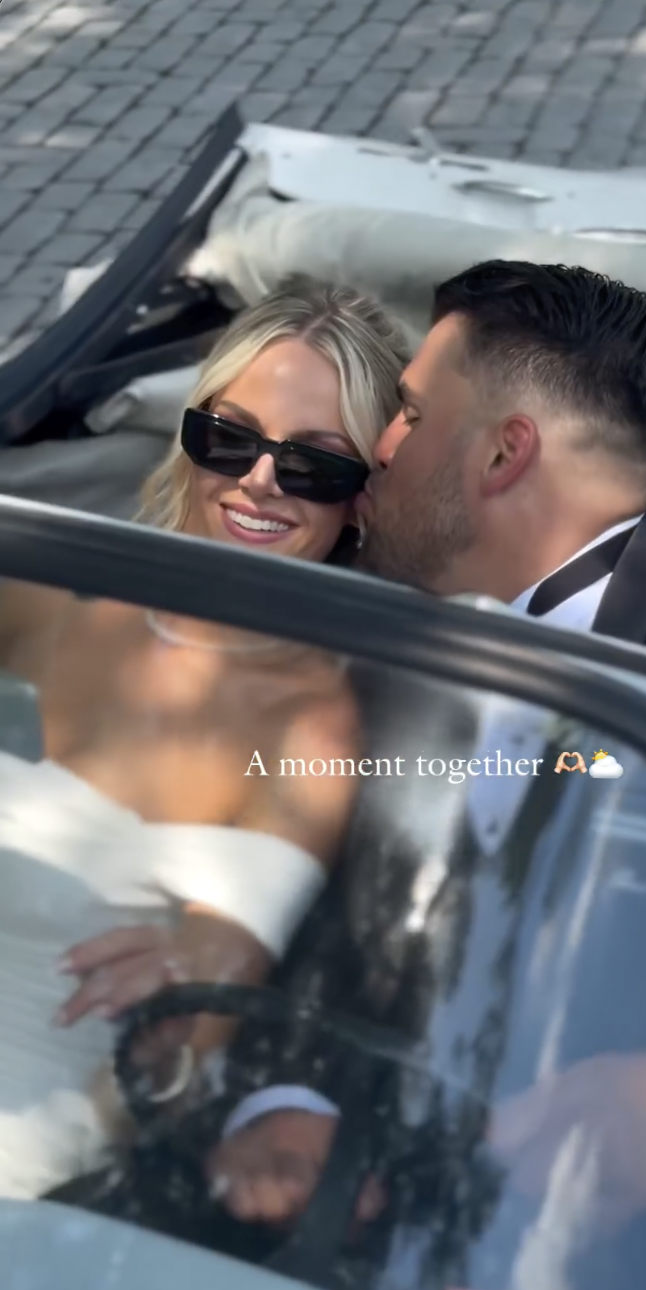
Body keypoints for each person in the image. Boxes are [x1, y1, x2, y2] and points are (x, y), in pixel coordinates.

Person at [204, 260, 646, 1276]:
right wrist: (285, 1097)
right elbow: (333, 928)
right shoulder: (370, 662)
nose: (380, 448)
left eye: (411, 414)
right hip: (384, 1262)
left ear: (505, 452)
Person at [0, 275, 410, 1199]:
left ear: (364, 499)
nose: (259, 479)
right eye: (229, 438)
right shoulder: (57, 595)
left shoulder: (307, 722)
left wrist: (202, 981)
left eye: (314, 465)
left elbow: (203, 1006)